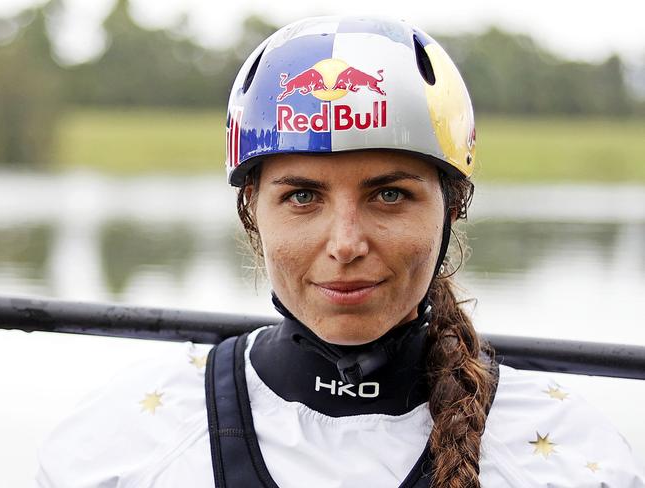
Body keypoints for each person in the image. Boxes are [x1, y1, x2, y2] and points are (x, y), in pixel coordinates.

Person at [35, 16, 645, 488]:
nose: (346, 244)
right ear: (252, 213)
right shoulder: (124, 441)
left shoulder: (571, 454)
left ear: (452, 206)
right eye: (302, 196)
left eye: (389, 194)